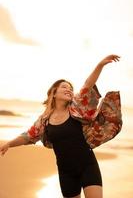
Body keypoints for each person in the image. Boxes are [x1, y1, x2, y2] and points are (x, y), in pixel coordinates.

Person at [0, 54, 122, 198]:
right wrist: (9, 144)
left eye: (71, 88)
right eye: (64, 87)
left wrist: (100, 65)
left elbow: (87, 85)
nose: (69, 90)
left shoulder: (75, 108)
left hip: (87, 165)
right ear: (54, 92)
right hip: (65, 172)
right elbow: (28, 136)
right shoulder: (44, 121)